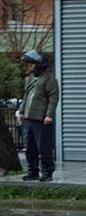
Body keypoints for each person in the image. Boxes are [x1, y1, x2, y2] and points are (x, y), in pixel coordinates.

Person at [17, 50, 59, 182]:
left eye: (31, 64)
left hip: (41, 119)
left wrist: (49, 115)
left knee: (43, 147)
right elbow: (26, 96)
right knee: (29, 147)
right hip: (29, 118)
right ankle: (32, 172)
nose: (29, 66)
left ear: (39, 64)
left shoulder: (49, 79)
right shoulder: (30, 79)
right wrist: (21, 111)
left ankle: (47, 172)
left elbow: (53, 98)